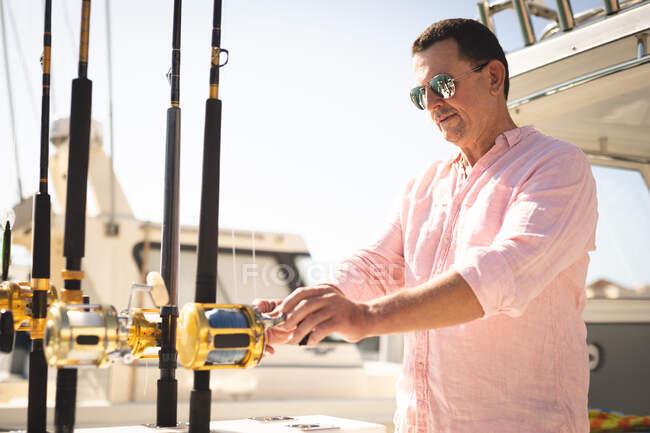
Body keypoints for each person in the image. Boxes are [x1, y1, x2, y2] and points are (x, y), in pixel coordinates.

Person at [256, 18, 598, 433]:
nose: (433, 103)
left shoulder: (556, 165)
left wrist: (365, 317)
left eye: (444, 85)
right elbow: (372, 267)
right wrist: (300, 310)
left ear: (493, 77)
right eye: (422, 94)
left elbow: (503, 271)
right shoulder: (424, 185)